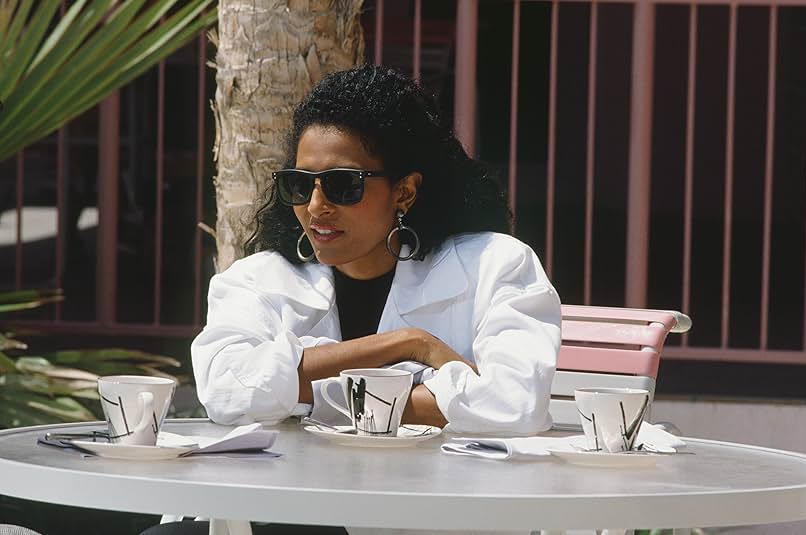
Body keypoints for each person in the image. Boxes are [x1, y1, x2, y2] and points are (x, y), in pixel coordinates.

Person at [145, 64, 561, 535]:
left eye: (344, 185)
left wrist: (311, 392)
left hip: (434, 517)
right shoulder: (257, 279)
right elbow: (225, 391)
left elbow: (514, 404)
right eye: (301, 185)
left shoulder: (495, 265)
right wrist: (403, 346)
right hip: (284, 508)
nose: (317, 206)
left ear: (404, 191)